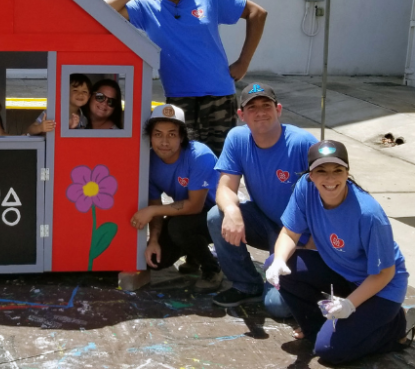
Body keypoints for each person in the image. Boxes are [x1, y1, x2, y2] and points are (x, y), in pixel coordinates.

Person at [104, 0, 267, 156]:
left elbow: (258, 13)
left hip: (219, 96)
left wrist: (244, 62)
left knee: (221, 162)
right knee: (184, 161)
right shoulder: (146, 7)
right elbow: (104, 8)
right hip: (179, 100)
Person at [266, 140, 415, 364]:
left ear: (347, 172)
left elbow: (385, 273)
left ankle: (395, 329)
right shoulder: (304, 188)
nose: (330, 178)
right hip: (342, 270)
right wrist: (278, 260)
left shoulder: (369, 214)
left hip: (381, 287)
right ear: (310, 175)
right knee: (276, 266)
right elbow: (289, 234)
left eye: (338, 170)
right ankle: (319, 328)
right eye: (321, 171)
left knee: (329, 352)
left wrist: (350, 304)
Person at [207, 82, 318, 312]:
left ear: (278, 109)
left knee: (278, 307)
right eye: (252, 107)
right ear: (241, 115)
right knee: (216, 216)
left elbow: (329, 202)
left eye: (266, 105)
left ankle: (312, 284)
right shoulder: (237, 138)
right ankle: (246, 284)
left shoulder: (302, 143)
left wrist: (310, 247)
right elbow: (225, 188)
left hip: (302, 236)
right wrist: (232, 211)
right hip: (267, 223)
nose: (260, 112)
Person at [130, 104, 223, 291]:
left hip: (219, 215)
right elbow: (155, 205)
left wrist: (152, 210)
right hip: (186, 214)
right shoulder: (148, 162)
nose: (164, 141)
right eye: (158, 134)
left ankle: (212, 269)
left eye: (172, 134)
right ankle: (193, 253)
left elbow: (195, 206)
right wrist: (154, 240)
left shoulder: (199, 156)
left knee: (178, 227)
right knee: (156, 260)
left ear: (182, 136)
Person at [26, 73, 91, 135]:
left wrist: (70, 128)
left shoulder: (84, 119)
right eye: (75, 90)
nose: (80, 94)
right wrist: (40, 127)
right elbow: (29, 131)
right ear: (65, 92)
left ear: (89, 96)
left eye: (84, 91)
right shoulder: (52, 112)